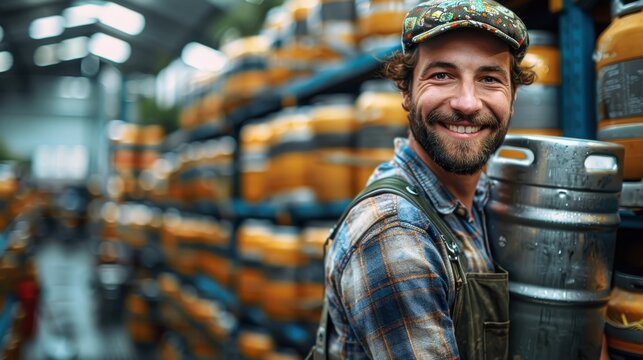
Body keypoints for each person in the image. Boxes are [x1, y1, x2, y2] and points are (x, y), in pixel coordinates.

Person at [320, 1, 535, 359]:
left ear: (513, 95)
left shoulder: (483, 200)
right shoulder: (395, 231)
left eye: (489, 79)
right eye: (442, 75)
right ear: (405, 89)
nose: (467, 102)